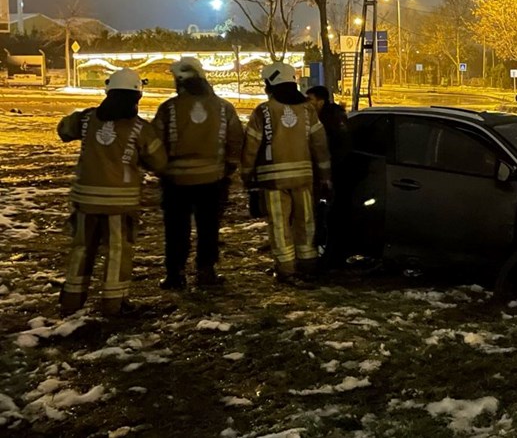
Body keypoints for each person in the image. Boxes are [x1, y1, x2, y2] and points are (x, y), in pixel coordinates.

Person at [57, 68, 167, 317]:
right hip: (120, 203)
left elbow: (63, 129)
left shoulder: (86, 119)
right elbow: (159, 162)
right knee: (118, 251)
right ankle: (114, 303)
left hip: (85, 200)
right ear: (137, 96)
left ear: (108, 91)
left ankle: (71, 299)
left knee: (82, 247)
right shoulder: (141, 128)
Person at [152, 57, 244, 289]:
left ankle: (175, 274)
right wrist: (229, 166)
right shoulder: (223, 107)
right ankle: (206, 271)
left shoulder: (168, 109)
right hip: (213, 179)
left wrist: (161, 169)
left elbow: (155, 143)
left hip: (176, 182)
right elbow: (235, 139)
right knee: (208, 228)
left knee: (176, 229)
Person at [242, 63, 331, 283]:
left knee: (279, 225)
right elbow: (320, 145)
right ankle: (308, 264)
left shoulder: (263, 111)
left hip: (272, 180)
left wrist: (247, 175)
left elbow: (251, 145)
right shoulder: (308, 110)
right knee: (306, 221)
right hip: (304, 178)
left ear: (270, 84)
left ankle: (286, 268)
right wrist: (325, 176)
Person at [304, 85, 351, 265]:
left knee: (330, 215)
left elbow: (335, 147)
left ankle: (330, 255)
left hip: (335, 173)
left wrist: (328, 173)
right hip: (330, 173)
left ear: (320, 101)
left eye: (310, 99)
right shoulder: (327, 116)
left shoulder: (328, 119)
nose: (307, 103)